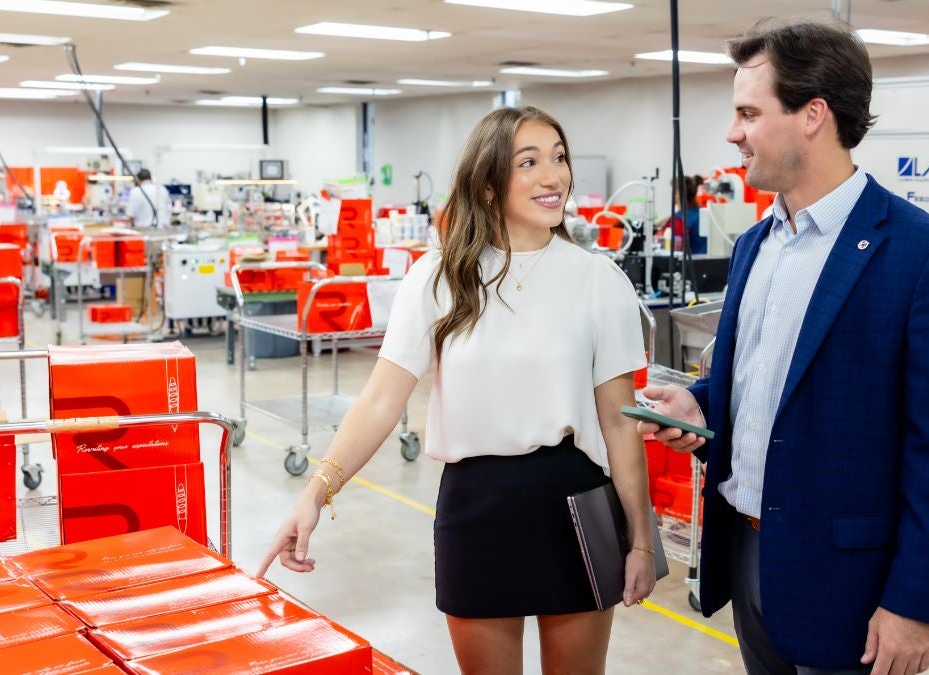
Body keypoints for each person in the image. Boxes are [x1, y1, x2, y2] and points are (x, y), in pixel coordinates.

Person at [258, 105, 656, 674]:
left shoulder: (598, 280)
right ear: (489, 185)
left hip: (574, 501)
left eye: (559, 157)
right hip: (476, 507)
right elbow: (379, 401)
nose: (554, 176)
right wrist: (313, 495)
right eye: (529, 162)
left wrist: (640, 540)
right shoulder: (439, 277)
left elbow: (619, 421)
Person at [637, 19, 929, 675]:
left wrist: (914, 603)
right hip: (745, 551)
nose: (732, 133)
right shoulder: (753, 245)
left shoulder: (921, 255)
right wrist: (698, 403)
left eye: (747, 112)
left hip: (845, 579)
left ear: (811, 115)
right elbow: (762, 382)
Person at [660, 175, 707, 254]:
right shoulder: (703, 212)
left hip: (689, 262)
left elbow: (673, 248)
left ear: (678, 194)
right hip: (706, 261)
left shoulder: (678, 220)